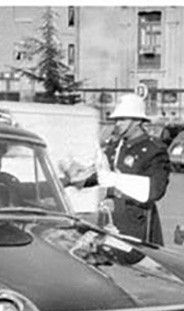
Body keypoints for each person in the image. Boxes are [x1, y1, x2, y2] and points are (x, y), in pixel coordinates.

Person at [65, 94, 171, 245]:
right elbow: (101, 175)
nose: (117, 124)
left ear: (136, 121)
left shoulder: (154, 151)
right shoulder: (116, 147)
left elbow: (155, 190)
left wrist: (116, 179)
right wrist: (77, 178)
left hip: (136, 227)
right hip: (110, 222)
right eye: (116, 119)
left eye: (122, 119)